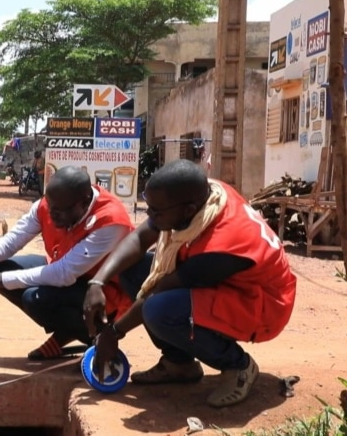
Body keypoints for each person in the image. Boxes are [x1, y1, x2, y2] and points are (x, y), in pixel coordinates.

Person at [84, 159, 297, 408]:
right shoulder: (205, 194)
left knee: (158, 310)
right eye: (148, 207)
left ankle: (238, 366)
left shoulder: (222, 245)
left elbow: (158, 292)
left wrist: (113, 333)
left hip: (262, 304)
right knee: (131, 270)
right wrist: (97, 282)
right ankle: (179, 364)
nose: (149, 216)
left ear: (187, 210)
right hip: (229, 284)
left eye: (156, 211)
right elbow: (141, 238)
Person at [0, 166, 134, 359]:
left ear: (84, 202)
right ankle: (66, 331)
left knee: (34, 299)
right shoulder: (50, 205)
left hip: (104, 295)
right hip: (70, 277)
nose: (51, 213)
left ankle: (97, 335)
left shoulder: (110, 220)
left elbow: (63, 274)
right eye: (50, 206)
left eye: (59, 210)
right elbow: (10, 242)